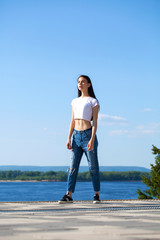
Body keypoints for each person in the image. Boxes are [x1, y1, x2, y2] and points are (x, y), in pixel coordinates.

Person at [58, 75, 100, 204]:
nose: (80, 84)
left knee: (93, 167)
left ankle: (96, 195)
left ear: (89, 84)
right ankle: (69, 195)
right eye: (78, 82)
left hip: (88, 135)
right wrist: (68, 138)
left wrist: (92, 139)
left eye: (83, 82)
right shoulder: (74, 101)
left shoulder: (93, 101)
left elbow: (95, 123)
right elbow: (72, 120)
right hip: (76, 136)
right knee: (72, 167)